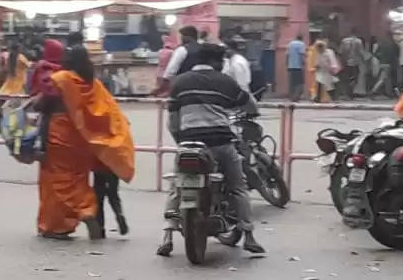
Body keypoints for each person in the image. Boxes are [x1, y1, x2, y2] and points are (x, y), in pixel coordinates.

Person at [157, 43, 265, 257]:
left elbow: (173, 121)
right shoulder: (225, 82)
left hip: (189, 144)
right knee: (238, 187)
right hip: (220, 144)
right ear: (217, 61)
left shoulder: (180, 83)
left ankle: (167, 236)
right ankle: (249, 236)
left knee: (177, 186)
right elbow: (250, 106)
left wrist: (182, 141)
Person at [36, 46, 135, 240]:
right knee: (76, 179)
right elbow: (106, 110)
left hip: (58, 135)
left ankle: (57, 225)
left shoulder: (61, 79)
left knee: (55, 181)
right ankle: (86, 209)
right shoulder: (92, 82)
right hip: (80, 140)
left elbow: (43, 104)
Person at [338, 29, 365, 100]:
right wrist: (364, 60)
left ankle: (347, 94)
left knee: (346, 79)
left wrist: (341, 61)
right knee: (355, 79)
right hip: (355, 62)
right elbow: (361, 52)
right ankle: (351, 93)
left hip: (346, 62)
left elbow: (340, 52)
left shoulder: (344, 41)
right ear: (356, 33)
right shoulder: (359, 41)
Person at [313, 39, 338, 103]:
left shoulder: (329, 52)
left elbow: (332, 60)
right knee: (319, 83)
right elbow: (318, 61)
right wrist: (316, 66)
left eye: (320, 47)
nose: (319, 48)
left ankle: (334, 98)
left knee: (329, 86)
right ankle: (318, 98)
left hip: (328, 70)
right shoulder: (319, 53)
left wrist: (333, 69)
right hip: (321, 70)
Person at [377, 33, 399, 98]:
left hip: (382, 63)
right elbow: (397, 54)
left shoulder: (382, 44)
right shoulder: (394, 44)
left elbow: (376, 53)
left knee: (383, 78)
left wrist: (380, 58)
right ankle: (389, 93)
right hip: (390, 64)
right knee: (388, 79)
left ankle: (381, 91)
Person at [286, 34, 307, 101]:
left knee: (291, 83)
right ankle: (296, 97)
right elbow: (302, 55)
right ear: (302, 38)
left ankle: (291, 97)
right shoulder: (301, 44)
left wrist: (287, 64)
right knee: (299, 83)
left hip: (290, 66)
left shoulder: (290, 44)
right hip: (298, 67)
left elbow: (287, 55)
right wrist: (304, 63)